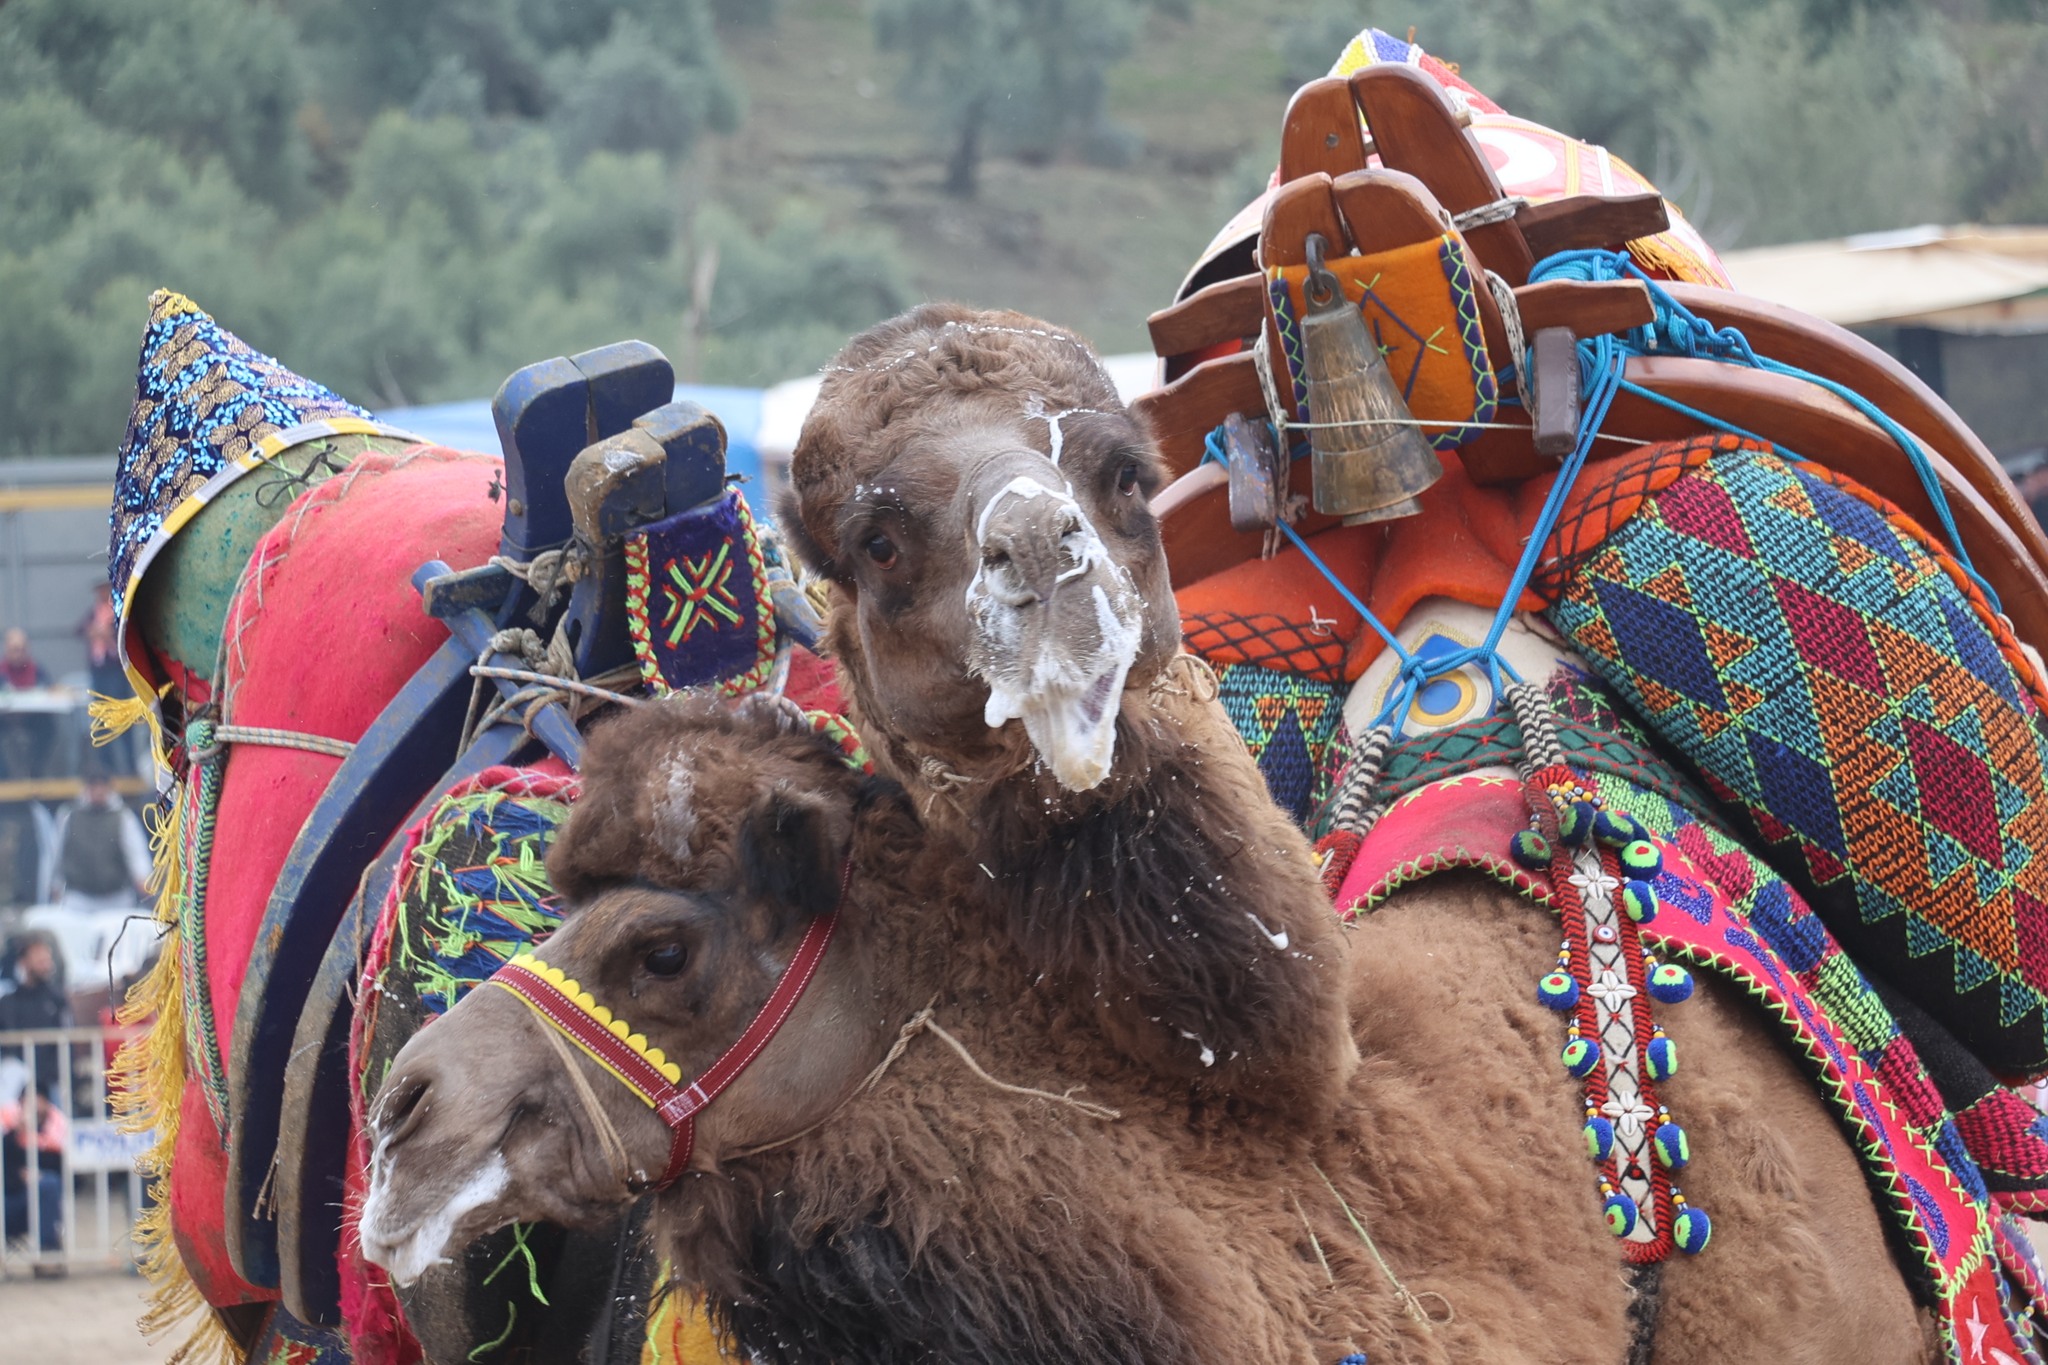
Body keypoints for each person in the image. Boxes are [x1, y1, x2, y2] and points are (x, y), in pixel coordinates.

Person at [0, 930, 69, 1270]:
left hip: (49, 1089)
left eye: (47, 954)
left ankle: (51, 1240)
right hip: (11, 1091)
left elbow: (61, 1049)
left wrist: (41, 1093)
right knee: (11, 1148)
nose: (46, 961)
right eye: (38, 954)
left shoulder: (55, 999)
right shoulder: (7, 1003)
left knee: (54, 1154)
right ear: (23, 959)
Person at [51, 760, 149, 911]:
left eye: (102, 786)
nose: (98, 791)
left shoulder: (123, 816)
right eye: (94, 786)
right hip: (78, 897)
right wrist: (55, 885)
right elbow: (57, 853)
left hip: (117, 897)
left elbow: (137, 853)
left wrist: (143, 880)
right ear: (86, 788)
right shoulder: (69, 815)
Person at [0, 627, 55, 780]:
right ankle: (3, 777)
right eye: (15, 650)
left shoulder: (37, 669)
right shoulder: (1, 670)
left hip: (30, 718)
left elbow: (49, 689)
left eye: (22, 649)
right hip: (5, 718)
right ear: (7, 650)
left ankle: (35, 771)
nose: (19, 654)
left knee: (48, 728)